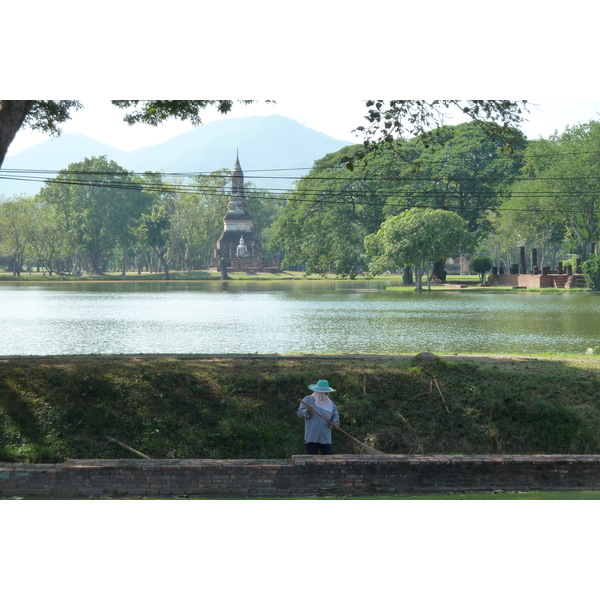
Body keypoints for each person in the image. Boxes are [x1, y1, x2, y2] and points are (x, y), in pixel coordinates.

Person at [297, 379, 340, 455]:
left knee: (328, 461)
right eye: (320, 393)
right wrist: (307, 411)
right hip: (311, 437)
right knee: (311, 462)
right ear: (316, 391)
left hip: (325, 437)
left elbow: (335, 415)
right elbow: (299, 413)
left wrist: (335, 422)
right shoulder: (307, 400)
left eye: (325, 393)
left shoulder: (331, 404)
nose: (322, 395)